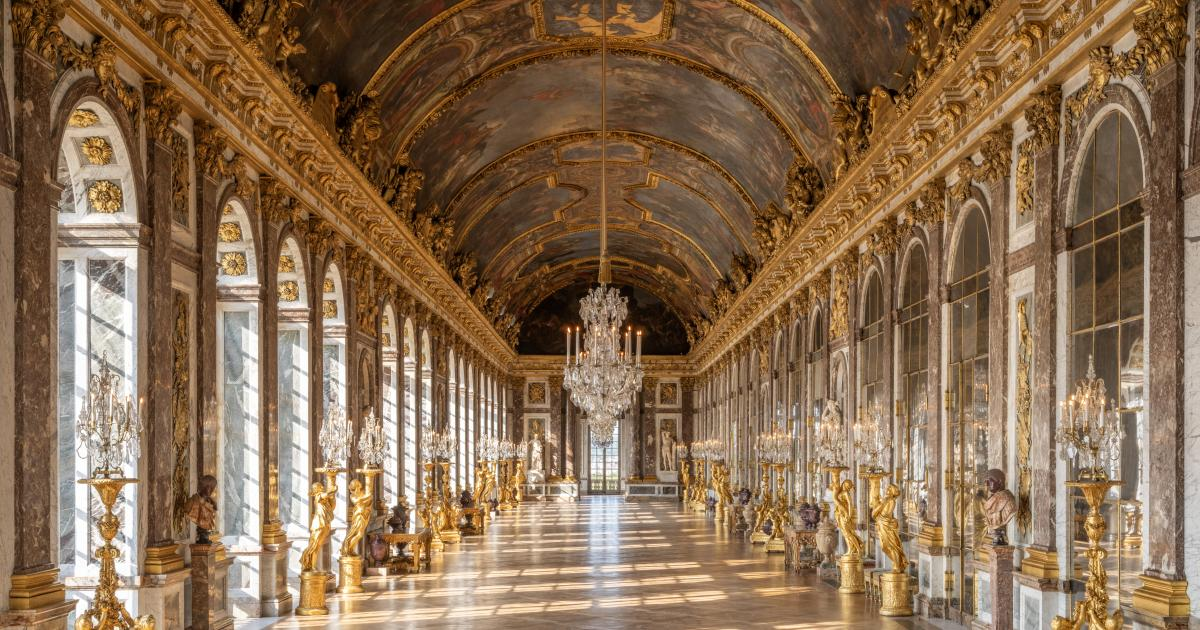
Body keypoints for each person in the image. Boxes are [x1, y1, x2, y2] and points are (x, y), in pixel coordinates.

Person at [981, 468, 1017, 546]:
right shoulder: (991, 499)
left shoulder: (1008, 499)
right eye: (986, 481)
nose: (987, 484)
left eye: (990, 481)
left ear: (1000, 482)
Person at [184, 474, 219, 544]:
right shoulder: (193, 502)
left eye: (213, 488)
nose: (213, 491)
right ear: (206, 487)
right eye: (212, 488)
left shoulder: (210, 502)